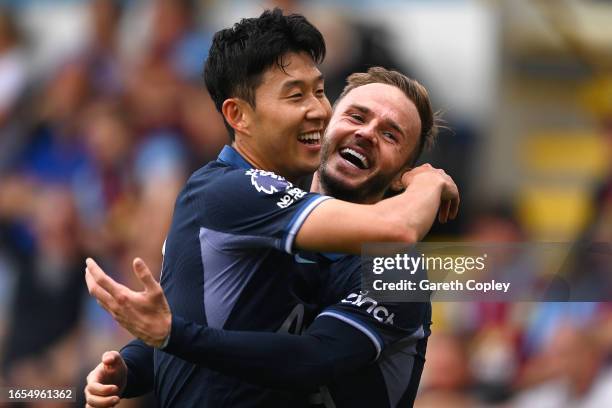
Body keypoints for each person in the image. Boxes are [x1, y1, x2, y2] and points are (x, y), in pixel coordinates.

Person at [85, 9, 458, 408]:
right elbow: (197, 327)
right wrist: (132, 363)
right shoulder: (248, 199)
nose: (366, 133)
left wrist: (428, 181)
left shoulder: (394, 267)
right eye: (356, 116)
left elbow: (311, 359)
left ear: (403, 172)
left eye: (390, 134)